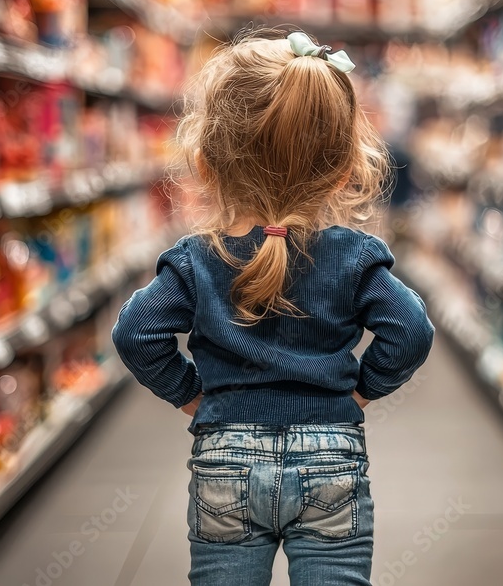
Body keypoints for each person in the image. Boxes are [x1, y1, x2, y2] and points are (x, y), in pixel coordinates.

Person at [112, 29, 435, 586]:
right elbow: (410, 330)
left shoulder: (194, 261)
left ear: (206, 164)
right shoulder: (355, 258)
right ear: (342, 169)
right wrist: (359, 389)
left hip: (225, 455)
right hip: (332, 454)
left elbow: (135, 333)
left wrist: (190, 394)